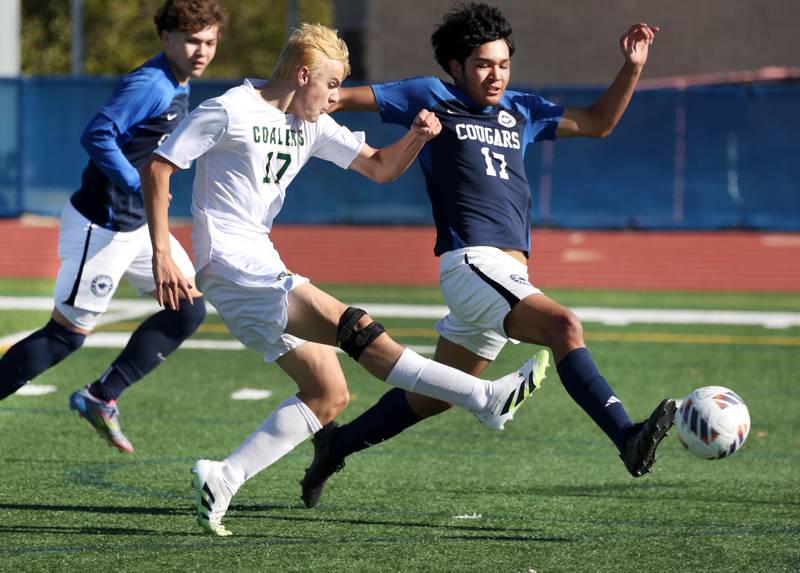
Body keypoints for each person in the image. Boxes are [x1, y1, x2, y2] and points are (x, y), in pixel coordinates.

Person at [140, 22, 548, 537]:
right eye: (331, 85)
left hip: (259, 264)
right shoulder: (229, 110)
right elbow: (159, 167)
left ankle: (223, 478)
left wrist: (417, 138)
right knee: (354, 326)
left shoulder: (310, 123)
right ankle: (481, 398)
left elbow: (379, 167)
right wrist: (163, 253)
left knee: (327, 393)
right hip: (233, 264)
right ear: (303, 74)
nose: (335, 97)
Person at [299, 3, 677, 509]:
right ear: (456, 67)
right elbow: (336, 98)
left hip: (504, 276)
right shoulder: (429, 95)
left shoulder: (519, 108)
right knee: (564, 326)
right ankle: (627, 437)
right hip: (472, 263)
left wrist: (632, 66)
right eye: (482, 64)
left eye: (502, 64)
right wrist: (280, 103)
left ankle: (334, 445)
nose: (495, 74)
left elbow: (596, 123)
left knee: (433, 395)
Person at [0, 0, 228, 454]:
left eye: (209, 41)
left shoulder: (180, 82)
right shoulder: (152, 83)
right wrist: (134, 184)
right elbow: (96, 134)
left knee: (187, 308)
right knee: (65, 336)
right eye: (191, 40)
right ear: (166, 39)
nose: (201, 50)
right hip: (100, 227)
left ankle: (100, 396)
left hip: (137, 226)